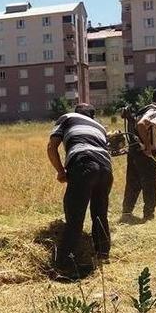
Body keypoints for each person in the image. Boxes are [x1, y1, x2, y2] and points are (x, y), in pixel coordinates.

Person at [47, 103, 114, 272]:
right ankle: (103, 254)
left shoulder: (68, 117)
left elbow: (52, 146)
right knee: (100, 214)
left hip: (84, 162)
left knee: (74, 216)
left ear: (77, 112)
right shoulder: (100, 127)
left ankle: (65, 263)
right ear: (92, 116)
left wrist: (61, 171)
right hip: (106, 169)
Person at [121, 88, 156, 223]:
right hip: (144, 153)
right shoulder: (154, 111)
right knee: (151, 185)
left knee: (133, 183)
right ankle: (148, 215)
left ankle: (126, 213)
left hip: (134, 151)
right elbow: (141, 125)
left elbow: (151, 134)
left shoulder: (145, 109)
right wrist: (148, 146)